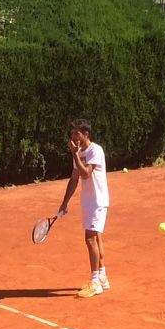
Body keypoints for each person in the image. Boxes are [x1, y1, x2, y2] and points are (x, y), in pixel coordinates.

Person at [57, 119, 110, 297]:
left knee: (90, 239)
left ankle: (95, 282)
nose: (73, 137)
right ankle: (102, 277)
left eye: (77, 133)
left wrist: (75, 155)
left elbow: (86, 174)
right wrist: (65, 202)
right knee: (97, 238)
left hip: (98, 201)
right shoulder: (79, 153)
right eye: (72, 134)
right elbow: (74, 178)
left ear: (86, 134)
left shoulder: (95, 150)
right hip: (88, 202)